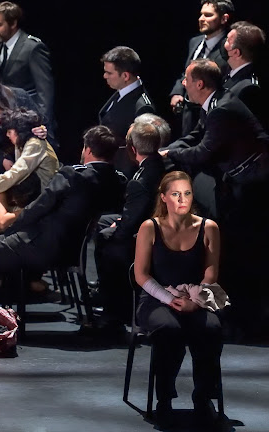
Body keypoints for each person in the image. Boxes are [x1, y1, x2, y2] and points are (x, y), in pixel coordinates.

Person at [162, 58, 269, 339]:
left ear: (199, 83)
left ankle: (242, 323)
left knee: (240, 256)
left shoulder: (222, 108)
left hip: (250, 188)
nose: (183, 84)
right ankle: (230, 316)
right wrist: (169, 148)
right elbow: (196, 136)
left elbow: (202, 152)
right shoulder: (213, 103)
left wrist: (168, 155)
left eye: (186, 80)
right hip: (238, 185)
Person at [0, 125, 125, 297]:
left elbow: (39, 207)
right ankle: (0, 297)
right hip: (73, 251)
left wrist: (13, 229)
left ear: (87, 150)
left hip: (46, 247)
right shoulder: (118, 180)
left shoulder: (73, 175)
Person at [134, 171, 223, 425]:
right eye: (175, 194)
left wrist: (195, 302)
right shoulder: (150, 227)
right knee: (168, 328)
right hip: (159, 296)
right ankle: (164, 399)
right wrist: (168, 298)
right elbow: (141, 274)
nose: (182, 199)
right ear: (163, 198)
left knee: (211, 328)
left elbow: (211, 272)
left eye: (187, 193)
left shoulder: (208, 227)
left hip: (198, 294)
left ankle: (203, 398)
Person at [94, 116, 168, 328]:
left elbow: (129, 226)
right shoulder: (160, 166)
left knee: (106, 238)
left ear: (132, 148)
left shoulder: (140, 180)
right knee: (105, 223)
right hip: (156, 228)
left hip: (146, 236)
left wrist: (119, 226)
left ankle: (114, 310)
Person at [0, 2, 57, 147]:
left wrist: (42, 124)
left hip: (30, 123)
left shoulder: (33, 48)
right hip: (10, 124)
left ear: (13, 23)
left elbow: (45, 91)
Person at [169, 0, 233, 136]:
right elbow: (186, 71)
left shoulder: (229, 47)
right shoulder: (195, 42)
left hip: (211, 114)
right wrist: (178, 92)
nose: (201, 19)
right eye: (201, 14)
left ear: (224, 18)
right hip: (188, 112)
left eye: (208, 15)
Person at [99, 46, 155, 179]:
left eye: (109, 73)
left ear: (125, 75)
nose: (105, 76)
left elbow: (138, 152)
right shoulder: (120, 93)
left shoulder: (142, 107)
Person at [0, 108, 58, 194]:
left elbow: (19, 172)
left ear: (19, 131)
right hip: (33, 189)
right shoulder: (21, 143)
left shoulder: (34, 144)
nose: (7, 135)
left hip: (46, 193)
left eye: (9, 132)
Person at [223, 21, 266, 127]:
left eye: (228, 40)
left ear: (236, 52)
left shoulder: (248, 88)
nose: (224, 43)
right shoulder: (228, 75)